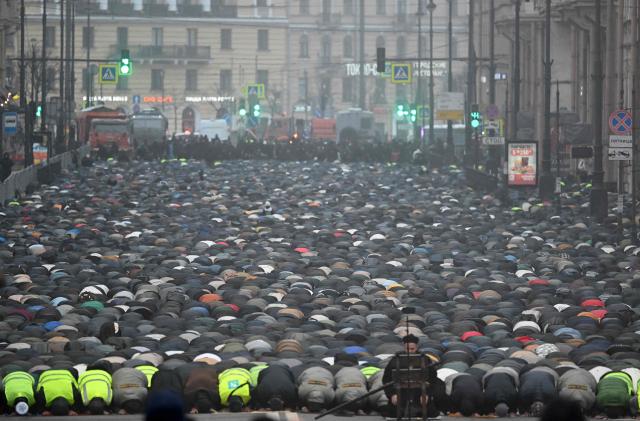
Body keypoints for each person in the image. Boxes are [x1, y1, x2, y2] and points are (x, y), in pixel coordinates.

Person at [382, 334, 442, 418]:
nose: (410, 351)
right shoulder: (395, 360)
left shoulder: (425, 359)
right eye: (407, 349)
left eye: (412, 349)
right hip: (400, 391)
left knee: (429, 413)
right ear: (404, 347)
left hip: (420, 392)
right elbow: (386, 379)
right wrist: (392, 394)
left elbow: (433, 379)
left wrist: (427, 394)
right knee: (394, 413)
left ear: (416, 347)